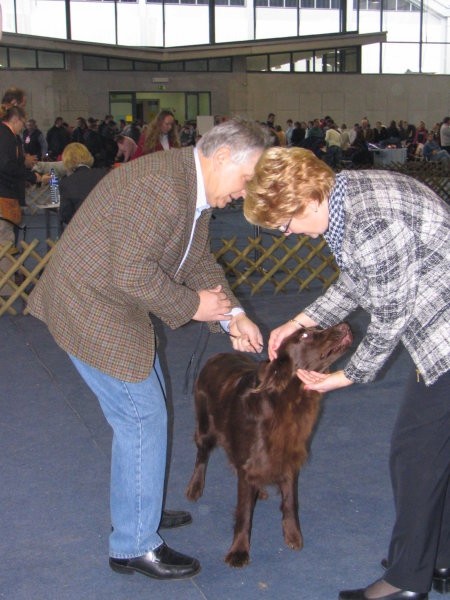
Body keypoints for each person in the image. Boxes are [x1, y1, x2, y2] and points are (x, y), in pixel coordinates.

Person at [27, 117, 269, 582]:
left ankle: (137, 511)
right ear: (222, 158)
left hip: (113, 301)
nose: (245, 194)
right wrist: (196, 306)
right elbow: (132, 274)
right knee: (143, 417)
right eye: (246, 181)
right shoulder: (163, 186)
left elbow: (196, 261)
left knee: (143, 412)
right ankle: (134, 543)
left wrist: (232, 314)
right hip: (91, 305)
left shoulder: (190, 185)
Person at [244, 146, 449, 600]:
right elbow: (359, 280)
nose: (288, 234)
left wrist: (347, 376)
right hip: (438, 329)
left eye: (285, 224)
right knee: (432, 452)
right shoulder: (348, 196)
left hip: (444, 336)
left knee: (415, 455)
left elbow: (392, 314)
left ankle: (406, 580)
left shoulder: (368, 218)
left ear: (304, 200)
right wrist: (299, 320)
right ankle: (436, 559)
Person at [0, 105, 48, 295]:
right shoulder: (6, 137)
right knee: (5, 242)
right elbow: (7, 167)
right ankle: (5, 289)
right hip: (4, 197)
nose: (23, 127)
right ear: (16, 119)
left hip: (6, 195)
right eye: (22, 123)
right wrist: (33, 177)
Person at [59, 142, 110, 225]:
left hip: (82, 227)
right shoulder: (104, 174)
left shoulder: (66, 182)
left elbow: (65, 215)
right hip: (107, 225)